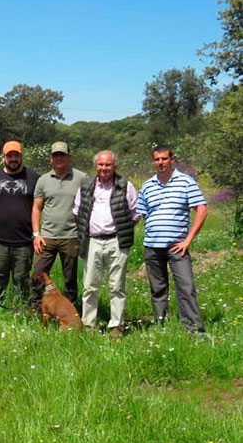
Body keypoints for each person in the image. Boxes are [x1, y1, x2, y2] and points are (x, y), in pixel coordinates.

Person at [137, 145, 208, 333]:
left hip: (177, 247)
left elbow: (201, 209)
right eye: (157, 159)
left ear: (172, 159)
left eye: (164, 159)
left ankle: (193, 329)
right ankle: (162, 325)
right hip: (152, 246)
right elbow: (143, 212)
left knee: (186, 287)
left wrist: (188, 240)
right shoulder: (147, 185)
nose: (160, 163)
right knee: (158, 289)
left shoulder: (186, 182)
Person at [73, 150, 139, 338]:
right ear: (96, 166)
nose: (104, 168)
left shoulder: (125, 185)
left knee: (117, 286)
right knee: (89, 285)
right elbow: (78, 212)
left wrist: (121, 229)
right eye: (101, 165)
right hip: (92, 241)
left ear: (115, 166)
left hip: (116, 241)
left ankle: (116, 326)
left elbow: (135, 212)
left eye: (108, 165)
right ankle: (89, 325)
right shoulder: (86, 185)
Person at [0, 140, 40, 307]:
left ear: (21, 156)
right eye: (10, 156)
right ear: (3, 158)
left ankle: (21, 309)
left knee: (21, 278)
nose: (13, 159)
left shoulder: (33, 178)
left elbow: (38, 205)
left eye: (16, 155)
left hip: (23, 239)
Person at [31, 142, 87, 307]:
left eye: (62, 155)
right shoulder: (43, 180)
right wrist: (36, 234)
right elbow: (36, 207)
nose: (59, 158)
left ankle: (70, 310)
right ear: (51, 158)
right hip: (47, 236)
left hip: (71, 236)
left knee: (70, 277)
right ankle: (37, 309)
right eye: (56, 155)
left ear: (69, 157)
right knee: (39, 274)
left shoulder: (81, 178)